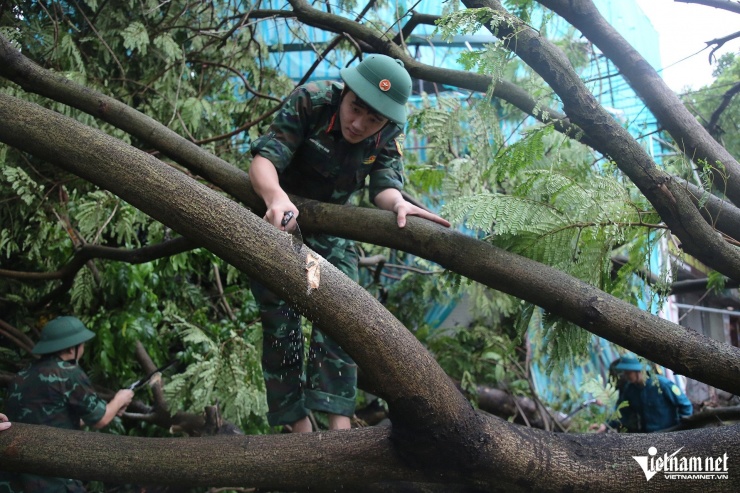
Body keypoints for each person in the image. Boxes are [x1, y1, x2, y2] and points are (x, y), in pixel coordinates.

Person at [248, 54, 450, 433]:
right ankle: (296, 427)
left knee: (342, 316)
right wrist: (276, 197)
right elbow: (264, 159)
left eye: (372, 119)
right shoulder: (312, 99)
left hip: (331, 234)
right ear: (346, 92)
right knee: (282, 323)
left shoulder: (388, 133)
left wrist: (400, 203)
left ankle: (339, 425)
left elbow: (385, 188)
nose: (359, 124)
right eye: (355, 109)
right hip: (277, 224)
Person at [1, 316, 134, 492]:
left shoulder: (22, 375)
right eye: (83, 344)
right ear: (72, 348)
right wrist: (120, 399)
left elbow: (49, 418)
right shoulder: (68, 372)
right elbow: (101, 419)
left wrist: (110, 410)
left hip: (15, 481)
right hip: (54, 479)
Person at [591, 353, 693, 433]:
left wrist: (682, 428)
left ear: (638, 371)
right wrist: (605, 424)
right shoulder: (630, 390)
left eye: (628, 372)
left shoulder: (662, 385)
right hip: (649, 436)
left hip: (670, 433)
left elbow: (685, 406)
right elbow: (622, 413)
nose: (625, 376)